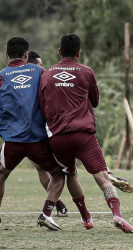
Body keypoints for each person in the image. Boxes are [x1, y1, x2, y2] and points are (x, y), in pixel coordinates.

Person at [39, 34, 133, 233]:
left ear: (59, 52)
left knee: (68, 174)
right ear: (78, 53)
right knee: (102, 176)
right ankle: (117, 215)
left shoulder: (46, 75)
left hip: (58, 137)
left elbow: (42, 106)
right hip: (83, 135)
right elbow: (95, 101)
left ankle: (80, 217)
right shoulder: (86, 72)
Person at [0, 37, 65, 231]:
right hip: (38, 139)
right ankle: (46, 214)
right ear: (26, 55)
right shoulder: (39, 72)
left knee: (2, 174)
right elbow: (53, 99)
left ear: (6, 54)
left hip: (13, 140)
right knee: (58, 175)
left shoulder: (2, 75)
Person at [27, 51, 69, 217]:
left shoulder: (45, 77)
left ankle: (56, 203)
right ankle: (56, 204)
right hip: (32, 130)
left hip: (47, 127)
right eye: (39, 65)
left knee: (51, 169)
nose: (42, 68)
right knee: (43, 168)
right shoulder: (20, 80)